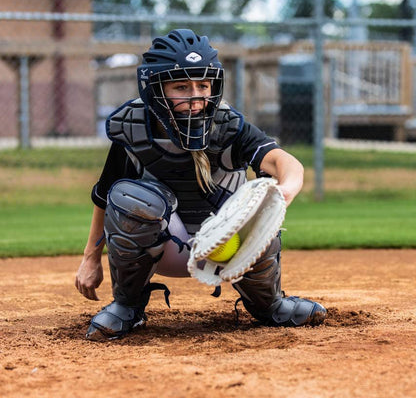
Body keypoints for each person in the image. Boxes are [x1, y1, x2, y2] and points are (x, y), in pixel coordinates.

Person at [75, 28, 326, 340]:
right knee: (131, 198)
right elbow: (104, 198)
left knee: (258, 202)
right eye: (181, 86)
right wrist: (89, 259)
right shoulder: (135, 129)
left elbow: (283, 162)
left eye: (203, 85)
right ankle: (128, 306)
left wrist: (284, 189)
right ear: (156, 88)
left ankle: (269, 304)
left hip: (227, 248)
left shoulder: (228, 125)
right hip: (167, 246)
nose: (196, 97)